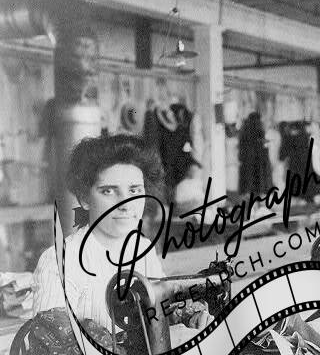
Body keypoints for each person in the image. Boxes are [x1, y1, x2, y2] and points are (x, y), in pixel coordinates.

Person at [32, 134, 212, 335]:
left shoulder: (142, 248)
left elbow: (163, 306)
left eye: (134, 190)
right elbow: (53, 345)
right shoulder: (59, 261)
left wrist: (188, 317)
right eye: (109, 191)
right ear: (84, 198)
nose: (126, 205)